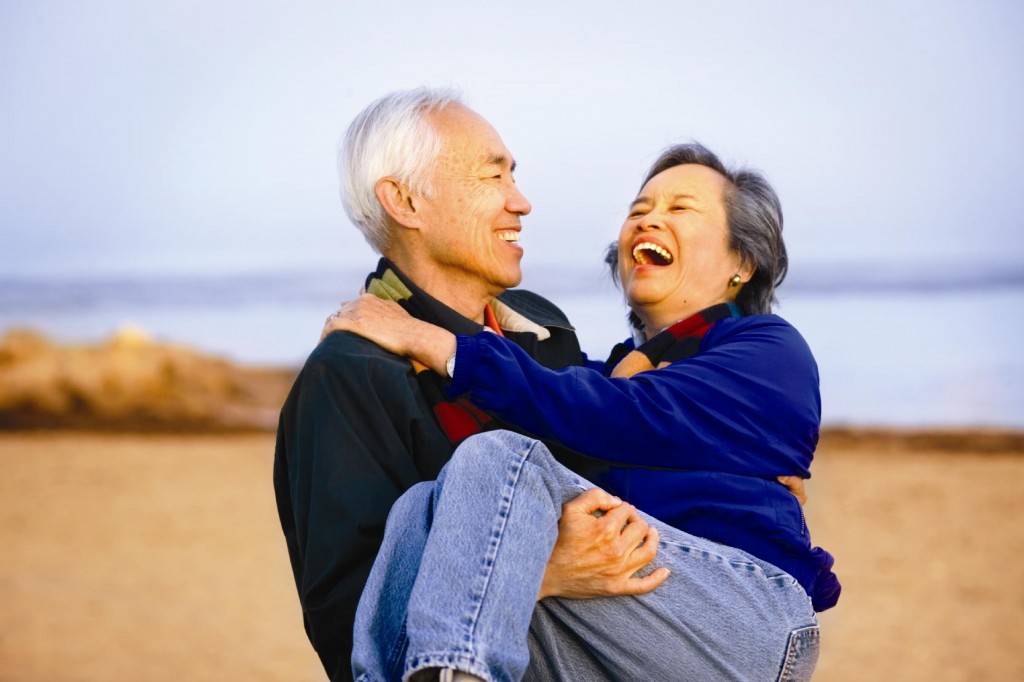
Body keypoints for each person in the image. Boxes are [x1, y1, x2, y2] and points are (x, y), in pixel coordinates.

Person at [324, 142, 840, 681]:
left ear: (742, 261)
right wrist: (382, 333)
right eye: (638, 211)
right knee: (420, 511)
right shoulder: (605, 376)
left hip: (740, 615)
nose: (648, 221)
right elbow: (555, 414)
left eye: (679, 208)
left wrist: (426, 339)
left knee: (499, 456)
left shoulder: (767, 350)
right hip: (626, 624)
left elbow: (609, 416)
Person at [273, 88, 676, 682]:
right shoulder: (350, 375)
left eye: (515, 175)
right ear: (405, 201)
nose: (522, 202)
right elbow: (346, 630)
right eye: (493, 176)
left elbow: (610, 449)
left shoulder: (543, 327)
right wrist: (538, 572)